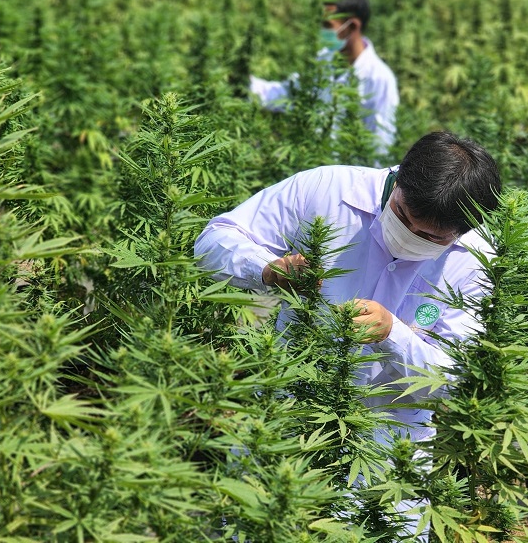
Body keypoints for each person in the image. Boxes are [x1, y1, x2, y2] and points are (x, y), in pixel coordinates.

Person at [194, 131, 501, 445]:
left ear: (464, 231)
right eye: (401, 215)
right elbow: (212, 241)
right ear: (398, 181)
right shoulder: (328, 189)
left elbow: (453, 381)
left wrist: (391, 335)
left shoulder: (476, 261)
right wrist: (267, 268)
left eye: (431, 237)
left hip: (387, 442)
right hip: (286, 410)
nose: (409, 235)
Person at [249, 0, 400, 155]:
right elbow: (289, 94)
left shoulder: (379, 78)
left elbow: (380, 145)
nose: (322, 31)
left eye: (327, 25)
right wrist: (246, 84)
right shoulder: (323, 59)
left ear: (352, 26)